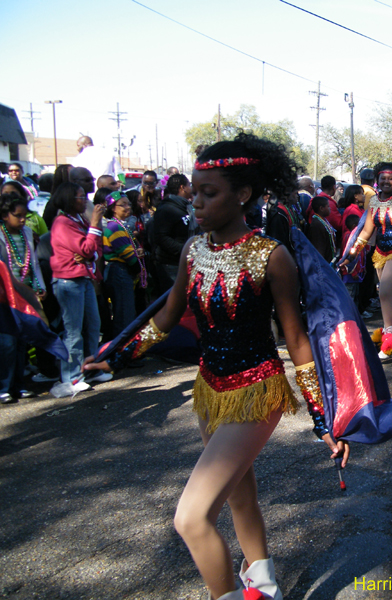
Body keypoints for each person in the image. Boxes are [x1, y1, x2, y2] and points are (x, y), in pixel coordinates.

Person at [83, 133, 348, 600]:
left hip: (255, 390)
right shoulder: (193, 250)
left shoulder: (272, 255)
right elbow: (165, 319)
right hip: (209, 388)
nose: (196, 204)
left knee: (191, 516)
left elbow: (296, 338)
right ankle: (263, 581)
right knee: (238, 492)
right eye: (195, 193)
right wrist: (115, 359)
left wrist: (323, 418)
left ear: (243, 194)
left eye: (210, 194)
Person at [342, 162, 392, 360]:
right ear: (377, 180)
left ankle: (389, 339)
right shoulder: (373, 202)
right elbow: (367, 231)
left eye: (390, 178)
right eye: (383, 179)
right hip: (381, 252)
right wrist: (351, 255)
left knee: (384, 292)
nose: (386, 182)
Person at [49, 182, 107, 392]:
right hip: (68, 281)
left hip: (84, 277)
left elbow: (95, 249)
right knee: (73, 331)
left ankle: (92, 369)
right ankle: (72, 376)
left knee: (93, 325)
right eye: (81, 197)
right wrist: (93, 226)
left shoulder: (80, 220)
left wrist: (89, 253)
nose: (85, 200)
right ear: (69, 199)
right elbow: (86, 248)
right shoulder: (62, 223)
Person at [0, 193, 44, 403]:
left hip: (23, 294)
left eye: (24, 215)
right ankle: (4, 387)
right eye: (17, 216)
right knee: (7, 343)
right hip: (4, 297)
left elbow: (33, 263)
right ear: (4, 215)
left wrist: (39, 286)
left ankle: (18, 385)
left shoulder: (26, 232)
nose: (22, 219)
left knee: (21, 343)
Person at [103, 191, 147, 338]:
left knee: (126, 313)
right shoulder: (115, 228)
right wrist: (138, 267)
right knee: (124, 315)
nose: (128, 207)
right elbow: (129, 256)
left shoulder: (123, 226)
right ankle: (121, 354)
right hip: (119, 272)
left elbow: (132, 250)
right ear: (113, 208)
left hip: (122, 272)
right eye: (123, 205)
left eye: (128, 204)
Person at [152, 173, 194, 293]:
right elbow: (161, 237)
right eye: (189, 185)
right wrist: (184, 250)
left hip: (185, 261)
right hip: (171, 265)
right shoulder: (167, 209)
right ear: (182, 188)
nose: (191, 187)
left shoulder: (187, 207)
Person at [308, 195, 337, 263]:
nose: (330, 208)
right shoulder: (316, 224)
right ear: (321, 208)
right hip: (324, 262)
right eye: (328, 206)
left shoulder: (323, 220)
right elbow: (319, 247)